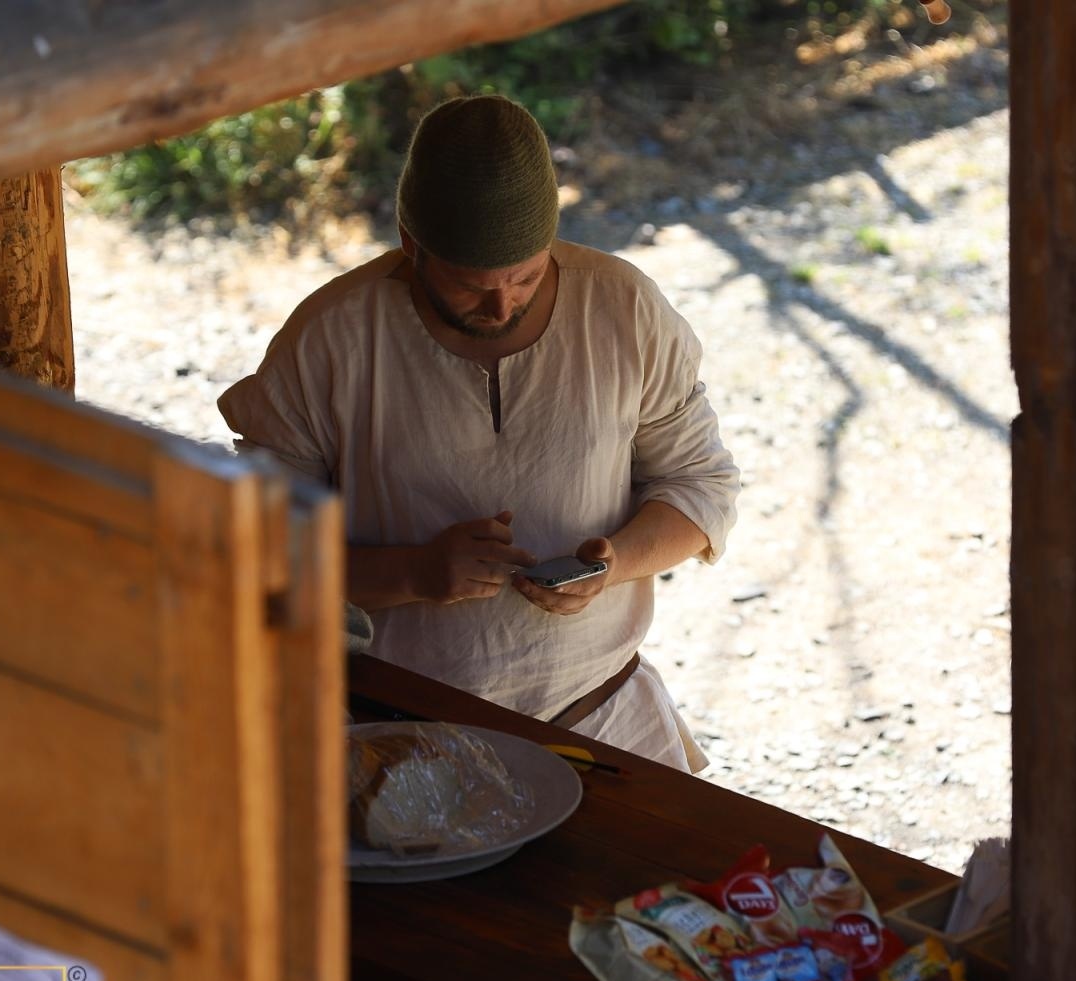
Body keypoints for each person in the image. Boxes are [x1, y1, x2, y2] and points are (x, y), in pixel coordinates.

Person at [218, 95, 740, 771]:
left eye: (526, 276)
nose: (502, 305)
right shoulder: (331, 340)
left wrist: (615, 566)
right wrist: (415, 571)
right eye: (470, 286)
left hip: (602, 716)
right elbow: (257, 554)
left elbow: (701, 485)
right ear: (411, 246)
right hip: (397, 740)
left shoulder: (622, 307)